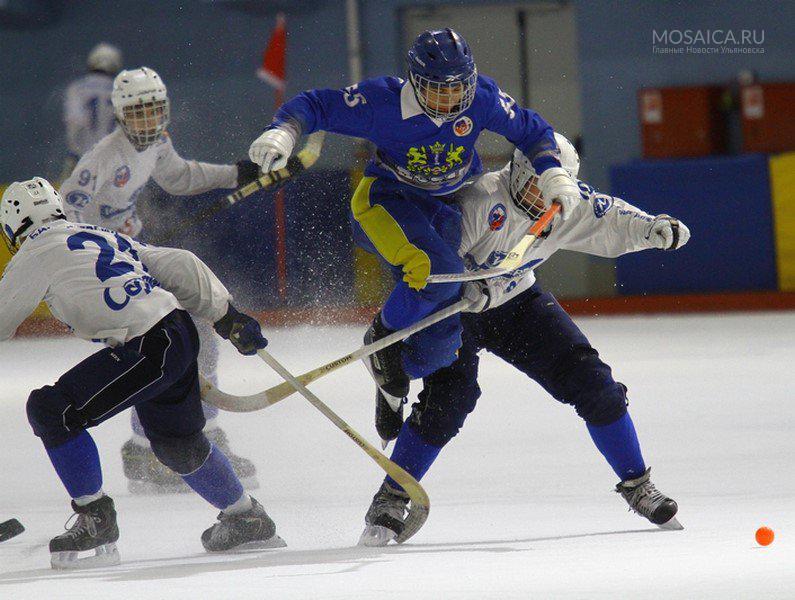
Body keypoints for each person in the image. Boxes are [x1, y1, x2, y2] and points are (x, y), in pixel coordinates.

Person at [358, 134, 691, 546]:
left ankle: (638, 484)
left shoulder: (565, 203)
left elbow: (610, 219)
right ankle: (391, 493)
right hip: (455, 312)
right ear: (516, 173)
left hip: (517, 302)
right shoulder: (477, 202)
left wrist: (651, 227)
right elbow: (429, 267)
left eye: (554, 188)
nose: (544, 199)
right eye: (536, 183)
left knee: (593, 383)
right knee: (450, 401)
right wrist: (462, 290)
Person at [247, 29, 581, 419]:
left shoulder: (483, 98)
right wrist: (283, 132)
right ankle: (382, 338)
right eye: (440, 90)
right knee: (437, 270)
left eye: (461, 89)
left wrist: (551, 173)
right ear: (415, 82)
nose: (453, 100)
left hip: (445, 208)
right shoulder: (382, 102)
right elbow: (317, 104)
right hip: (390, 201)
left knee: (443, 343)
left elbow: (533, 130)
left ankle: (393, 377)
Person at [0, 177, 284, 569]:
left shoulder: (34, 250)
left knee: (52, 410)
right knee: (176, 444)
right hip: (176, 333)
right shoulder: (93, 231)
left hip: (147, 345)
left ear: (13, 229)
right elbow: (180, 263)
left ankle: (95, 516)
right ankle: (246, 517)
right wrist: (227, 315)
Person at [60, 66, 262, 494]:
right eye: (138, 112)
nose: (148, 120)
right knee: (160, 343)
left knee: (195, 333)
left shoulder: (157, 144)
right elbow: (66, 210)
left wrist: (237, 174)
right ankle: (155, 443)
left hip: (134, 250)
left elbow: (180, 177)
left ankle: (186, 432)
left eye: (154, 110)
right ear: (121, 114)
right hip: (109, 265)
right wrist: (93, 252)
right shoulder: (103, 157)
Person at [62, 43, 123, 178]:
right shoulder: (122, 91)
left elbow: (75, 120)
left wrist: (75, 151)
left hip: (81, 159)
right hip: (113, 161)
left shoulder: (77, 88)